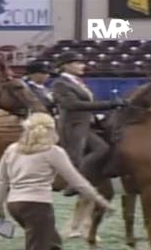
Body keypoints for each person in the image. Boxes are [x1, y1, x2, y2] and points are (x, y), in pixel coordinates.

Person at [0, 113, 115, 250]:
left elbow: (1, 180)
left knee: (52, 246)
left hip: (15, 204)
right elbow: (76, 180)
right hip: (38, 205)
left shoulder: (12, 150)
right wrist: (100, 200)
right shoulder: (53, 152)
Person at [51, 51, 127, 196]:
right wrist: (109, 104)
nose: (82, 66)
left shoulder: (77, 82)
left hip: (86, 124)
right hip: (73, 125)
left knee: (103, 148)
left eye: (82, 63)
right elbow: (72, 104)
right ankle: (74, 183)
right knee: (79, 156)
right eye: (78, 63)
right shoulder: (60, 84)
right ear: (65, 66)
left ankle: (89, 177)